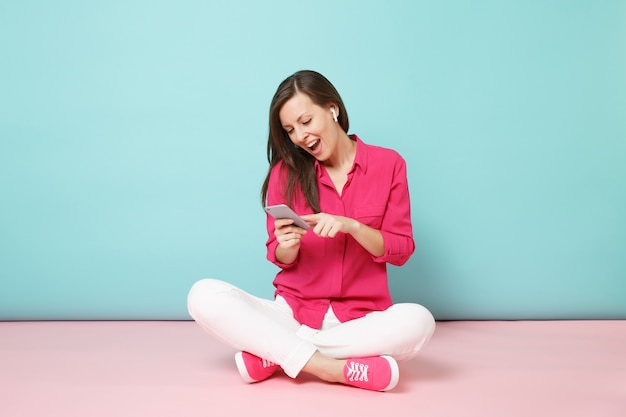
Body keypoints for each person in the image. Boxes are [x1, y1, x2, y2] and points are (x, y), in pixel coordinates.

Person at [187, 70, 435, 392]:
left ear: (332, 109)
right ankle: (332, 369)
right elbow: (278, 255)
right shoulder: (284, 173)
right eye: (290, 129)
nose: (300, 136)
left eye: (306, 121)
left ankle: (277, 353)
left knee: (419, 321)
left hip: (360, 321)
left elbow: (401, 250)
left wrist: (354, 227)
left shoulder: (389, 164)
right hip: (292, 312)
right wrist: (287, 245)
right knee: (203, 295)